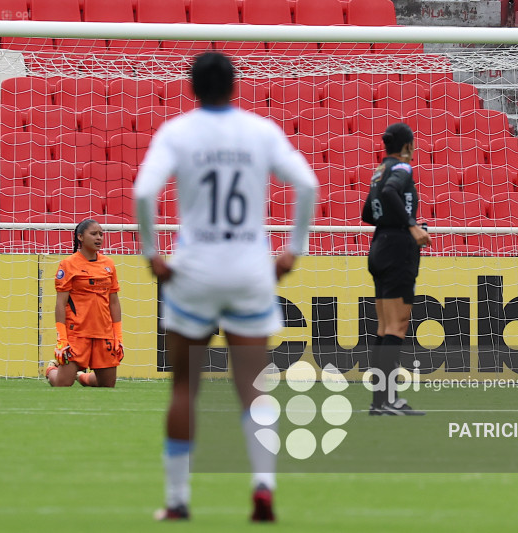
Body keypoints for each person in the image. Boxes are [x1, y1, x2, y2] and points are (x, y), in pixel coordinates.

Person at [134, 52, 317, 523]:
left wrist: (152, 253)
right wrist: (293, 249)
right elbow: (307, 185)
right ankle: (263, 488)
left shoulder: (177, 132)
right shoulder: (260, 131)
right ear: (234, 86)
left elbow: (142, 193)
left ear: (192, 88)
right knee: (253, 388)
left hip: (194, 269)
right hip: (249, 269)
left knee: (183, 388)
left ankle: (177, 501)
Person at [361, 122, 431, 415]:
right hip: (398, 249)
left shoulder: (379, 170)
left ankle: (381, 402)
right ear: (406, 147)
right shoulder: (402, 169)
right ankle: (390, 400)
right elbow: (391, 192)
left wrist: (393, 223)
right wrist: (412, 226)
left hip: (379, 245)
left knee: (383, 327)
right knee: (397, 327)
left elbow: (367, 213)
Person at [45, 218, 124, 388]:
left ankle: (81, 377)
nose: (99, 238)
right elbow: (60, 303)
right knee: (62, 384)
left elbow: (114, 302)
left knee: (107, 385)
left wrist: (118, 336)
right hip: (77, 333)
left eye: (101, 234)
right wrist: (62, 338)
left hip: (104, 333)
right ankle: (51, 369)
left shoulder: (109, 264)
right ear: (80, 237)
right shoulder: (68, 264)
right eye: (94, 234)